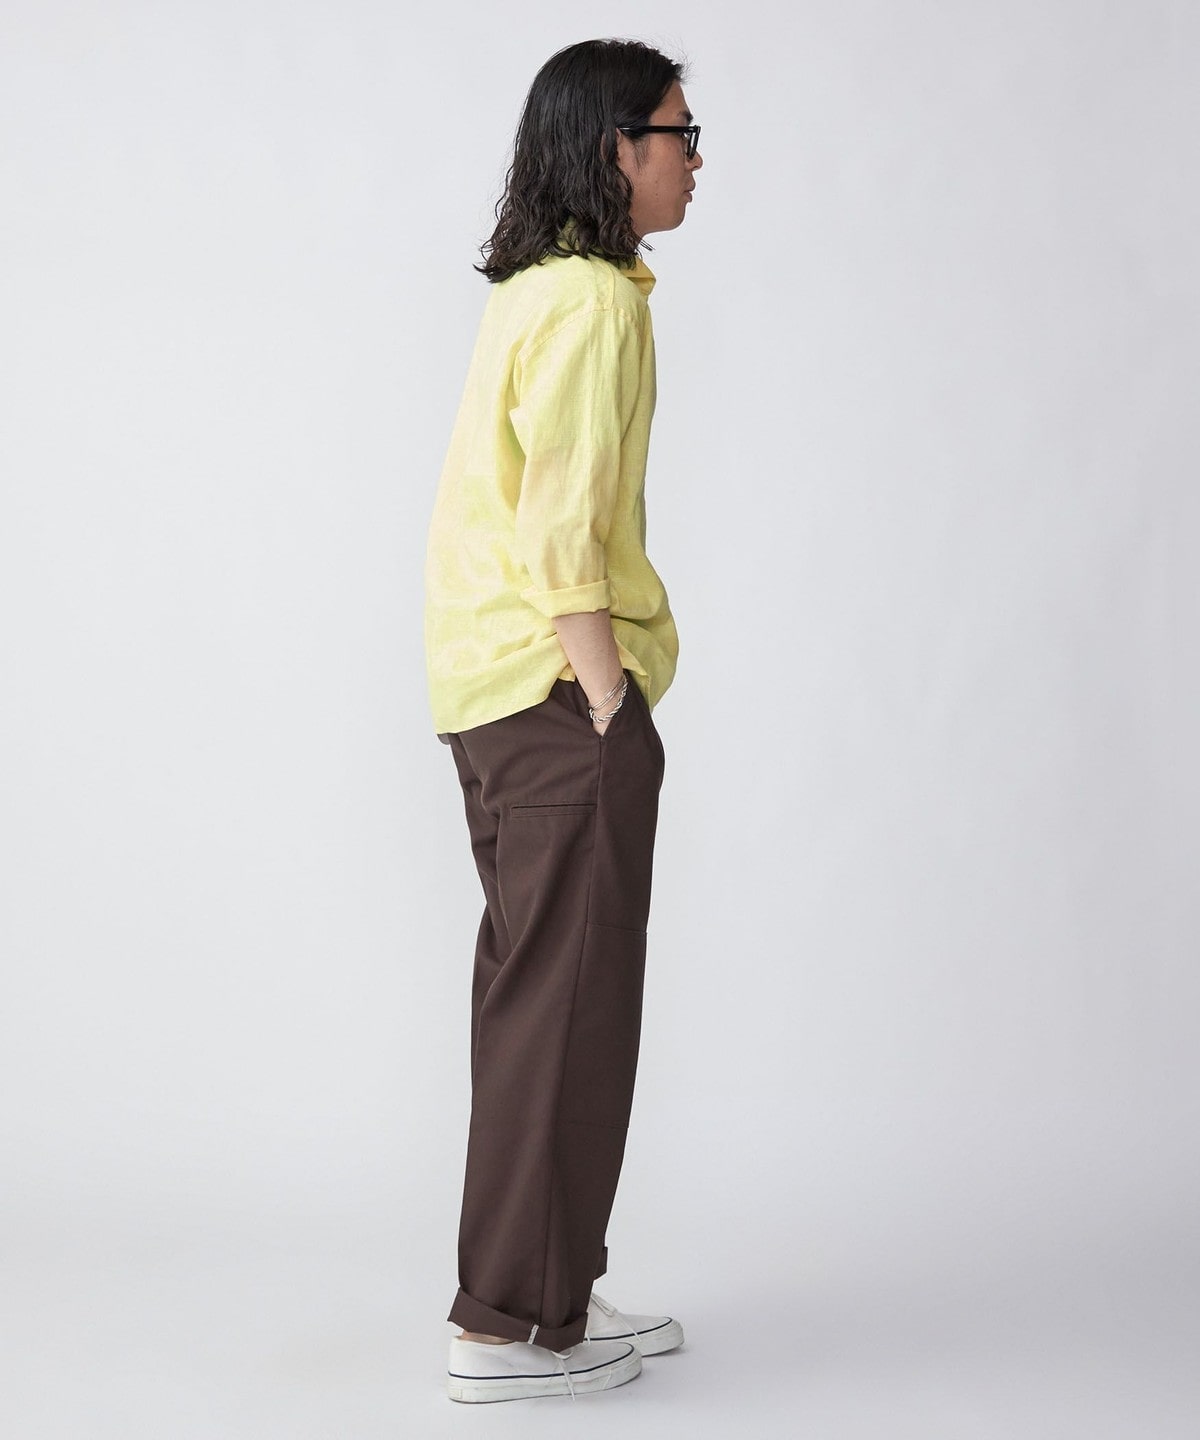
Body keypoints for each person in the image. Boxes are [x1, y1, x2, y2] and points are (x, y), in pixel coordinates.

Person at [423, 36, 703, 1404]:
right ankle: (510, 1334)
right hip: (554, 694)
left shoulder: (537, 290)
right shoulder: (594, 306)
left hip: (491, 694)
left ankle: (553, 1299)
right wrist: (607, 699)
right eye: (678, 134)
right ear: (616, 149)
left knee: (544, 1004)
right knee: (570, 1012)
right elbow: (560, 529)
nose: (696, 160)